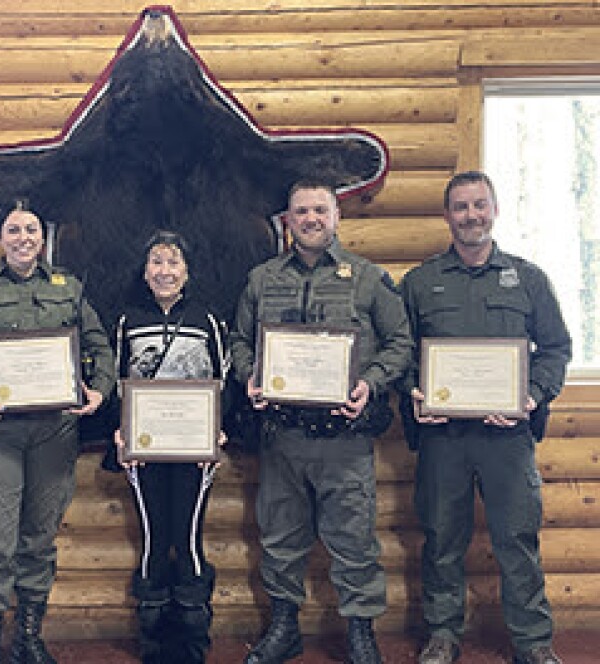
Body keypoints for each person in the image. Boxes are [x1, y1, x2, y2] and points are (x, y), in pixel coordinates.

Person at [230, 178, 413, 664]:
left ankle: (360, 632)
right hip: (282, 438)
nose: (310, 219)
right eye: (301, 212)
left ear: (337, 218)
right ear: (287, 221)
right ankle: (284, 627)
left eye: (320, 210)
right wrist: (249, 376)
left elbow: (400, 344)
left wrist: (369, 383)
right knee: (281, 539)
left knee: (354, 540)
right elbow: (239, 341)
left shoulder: (369, 279)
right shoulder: (262, 279)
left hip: (344, 438)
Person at [398, 171, 571, 664]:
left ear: (494, 210)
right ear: (447, 215)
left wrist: (534, 394)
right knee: (441, 536)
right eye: (460, 206)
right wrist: (412, 389)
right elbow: (400, 353)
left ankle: (533, 642)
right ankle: (443, 634)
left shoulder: (529, 278)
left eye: (479, 205)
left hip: (508, 438)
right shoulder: (419, 283)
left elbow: (556, 349)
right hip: (443, 438)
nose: (470, 215)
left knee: (517, 539)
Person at [0, 202, 115, 664]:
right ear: (0, 240)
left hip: (54, 434)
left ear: (43, 238)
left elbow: (99, 345)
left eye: (31, 229)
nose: (23, 238)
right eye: (13, 230)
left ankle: (29, 638)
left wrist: (98, 390)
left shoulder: (68, 288)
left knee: (38, 540)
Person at [109, 231, 228, 664]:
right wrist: (120, 433)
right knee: (155, 536)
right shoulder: (127, 321)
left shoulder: (207, 321)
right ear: (144, 272)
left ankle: (194, 635)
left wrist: (217, 431)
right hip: (144, 449)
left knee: (189, 537)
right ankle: (153, 634)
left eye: (173, 262)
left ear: (187, 271)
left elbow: (224, 380)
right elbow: (114, 381)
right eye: (156, 262)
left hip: (195, 449)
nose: (165, 271)